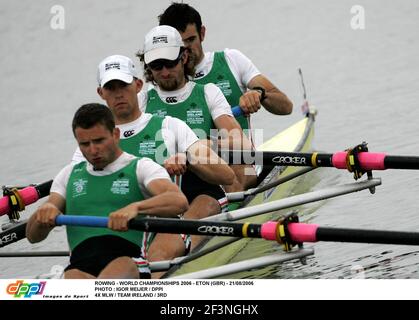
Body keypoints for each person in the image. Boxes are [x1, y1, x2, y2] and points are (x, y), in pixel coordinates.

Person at [72, 55, 235, 277]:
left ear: (138, 85)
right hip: (121, 233)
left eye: (124, 85)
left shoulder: (171, 127)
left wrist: (188, 158)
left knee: (152, 262)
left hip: (166, 229)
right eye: (111, 88)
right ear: (101, 93)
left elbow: (226, 176)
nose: (118, 93)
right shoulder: (90, 148)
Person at [26, 103, 189, 279]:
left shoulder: (141, 167)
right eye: (84, 144)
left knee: (117, 271)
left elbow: (178, 201)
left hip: (128, 263)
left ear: (115, 134)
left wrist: (136, 207)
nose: (93, 150)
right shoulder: (68, 175)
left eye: (99, 141)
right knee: (72, 275)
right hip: (79, 267)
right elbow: (33, 237)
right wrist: (41, 216)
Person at [137, 25, 257, 193]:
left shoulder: (208, 92)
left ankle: (234, 205)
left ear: (184, 57)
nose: (164, 72)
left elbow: (243, 146)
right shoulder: (141, 101)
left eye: (170, 63)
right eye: (156, 65)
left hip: (210, 180)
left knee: (240, 166)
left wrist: (206, 144)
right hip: (163, 184)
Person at [158, 2, 293, 132]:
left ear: (202, 33)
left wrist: (259, 94)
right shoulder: (162, 82)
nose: (186, 49)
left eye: (191, 40)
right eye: (180, 45)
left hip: (243, 154)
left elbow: (286, 107)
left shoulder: (232, 60)